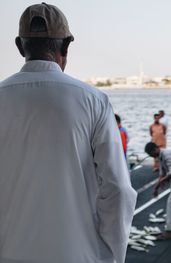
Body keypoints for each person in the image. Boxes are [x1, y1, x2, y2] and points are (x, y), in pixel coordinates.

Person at [0, 4, 137, 263]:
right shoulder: (93, 100)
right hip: (78, 254)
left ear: (20, 46)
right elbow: (118, 189)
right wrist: (113, 255)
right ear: (66, 46)